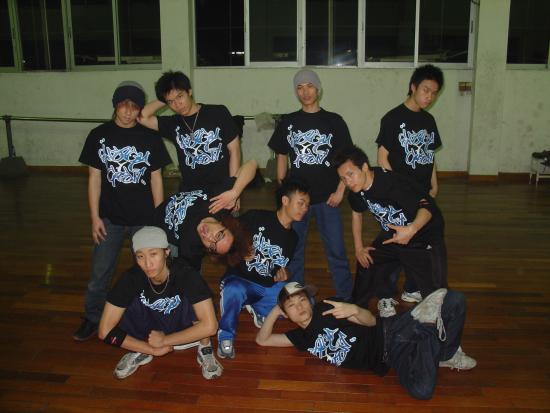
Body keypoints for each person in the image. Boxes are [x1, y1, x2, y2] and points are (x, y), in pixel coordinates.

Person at [256, 282, 476, 400]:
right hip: (391, 358)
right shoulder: (300, 338)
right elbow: (262, 340)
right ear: (286, 313)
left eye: (302, 300)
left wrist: (354, 310)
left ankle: (430, 335)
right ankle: (427, 330)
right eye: (292, 305)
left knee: (456, 299)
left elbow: (371, 321)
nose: (300, 307)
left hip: (389, 332)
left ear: (310, 301)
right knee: (422, 391)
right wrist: (275, 311)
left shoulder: (327, 308)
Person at [73, 81, 172, 341]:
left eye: (134, 107)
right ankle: (92, 317)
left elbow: (156, 178)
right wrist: (94, 217)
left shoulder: (149, 136)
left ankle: (151, 315)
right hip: (110, 218)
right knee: (100, 273)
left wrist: (158, 218)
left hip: (144, 218)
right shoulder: (99, 135)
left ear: (140, 109)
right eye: (123, 106)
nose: (128, 112)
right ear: (115, 105)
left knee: (150, 270)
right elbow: (94, 179)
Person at [268, 69, 353, 300]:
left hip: (328, 198)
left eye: (309, 86)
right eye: (300, 87)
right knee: (294, 251)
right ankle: (296, 296)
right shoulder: (288, 121)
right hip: (297, 200)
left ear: (318, 89)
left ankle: (347, 297)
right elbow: (282, 155)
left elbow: (347, 159)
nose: (305, 92)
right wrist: (283, 189)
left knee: (336, 250)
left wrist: (341, 190)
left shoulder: (334, 121)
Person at [333, 145, 447, 316]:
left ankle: (437, 322)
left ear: (364, 167)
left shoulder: (393, 184)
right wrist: (358, 248)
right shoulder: (357, 190)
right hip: (395, 233)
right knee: (367, 258)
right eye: (343, 178)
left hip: (425, 234)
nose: (348, 182)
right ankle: (359, 310)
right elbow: (356, 213)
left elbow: (427, 207)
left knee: (437, 294)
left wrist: (411, 229)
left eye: (351, 174)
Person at [98, 226, 223, 380]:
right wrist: (151, 349)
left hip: (182, 325)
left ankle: (204, 347)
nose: (147, 263)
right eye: (140, 256)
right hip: (151, 332)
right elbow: (104, 331)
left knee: (199, 302)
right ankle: (140, 350)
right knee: (125, 302)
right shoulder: (130, 278)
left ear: (166, 252)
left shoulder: (186, 273)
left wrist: (164, 340)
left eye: (153, 254)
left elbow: (211, 327)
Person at [217, 179, 310, 359]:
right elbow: (224, 237)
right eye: (301, 203)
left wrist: (285, 273)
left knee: (295, 304)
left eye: (307, 205)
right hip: (240, 279)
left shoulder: (293, 238)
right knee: (233, 291)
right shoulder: (256, 217)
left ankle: (256, 308)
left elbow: (283, 266)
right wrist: (239, 249)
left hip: (266, 285)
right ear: (285, 200)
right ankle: (226, 336)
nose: (305, 208)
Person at [376, 64, 445, 304]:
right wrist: (393, 191)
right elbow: (382, 158)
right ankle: (385, 292)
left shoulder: (429, 120)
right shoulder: (392, 118)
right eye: (426, 90)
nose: (429, 97)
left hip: (422, 192)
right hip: (400, 194)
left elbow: (429, 155)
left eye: (434, 92)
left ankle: (412, 287)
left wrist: (434, 183)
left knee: (421, 241)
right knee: (395, 242)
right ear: (413, 87)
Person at [138, 71, 241, 195]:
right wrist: (164, 97)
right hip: (190, 193)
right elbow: (141, 116)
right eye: (170, 102)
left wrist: (233, 190)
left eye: (180, 96)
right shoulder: (172, 124)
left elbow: (234, 151)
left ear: (189, 92)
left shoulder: (218, 113)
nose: (177, 104)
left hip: (221, 190)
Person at [155, 159, 258, 270]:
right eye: (219, 235)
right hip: (163, 203)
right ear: (223, 224)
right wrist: (235, 192)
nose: (209, 237)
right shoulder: (219, 204)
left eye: (212, 246)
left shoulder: (190, 247)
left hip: (155, 228)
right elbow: (252, 163)